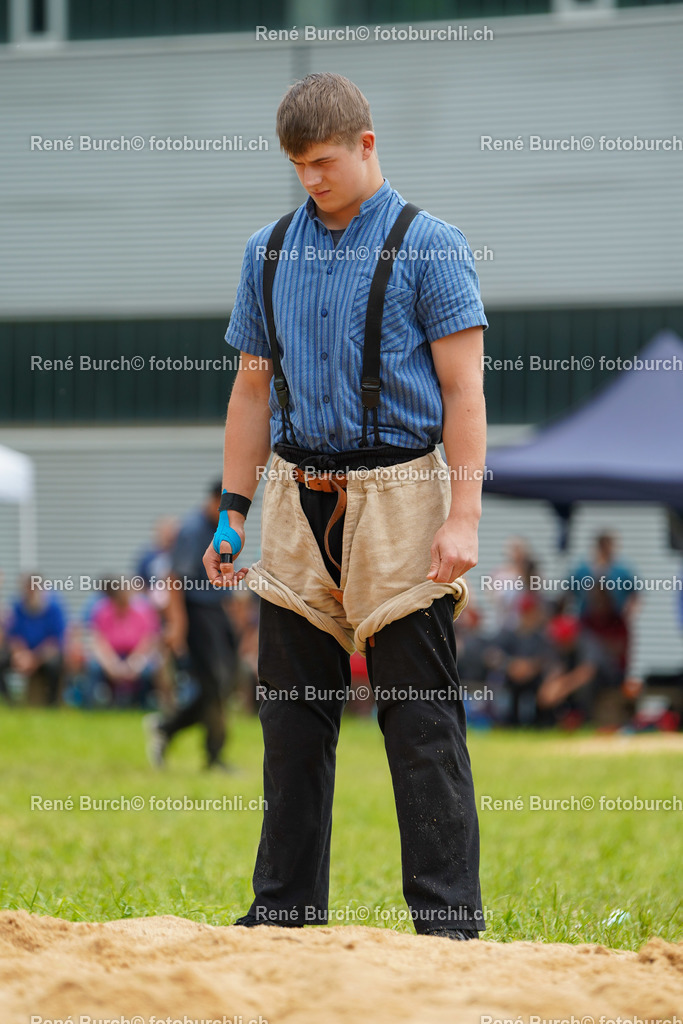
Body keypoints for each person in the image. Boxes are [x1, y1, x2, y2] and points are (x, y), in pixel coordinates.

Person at [203, 73, 488, 938]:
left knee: (419, 720)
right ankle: (283, 912)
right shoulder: (268, 251)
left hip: (402, 496)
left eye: (323, 161)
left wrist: (463, 516)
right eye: (297, 166)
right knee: (290, 720)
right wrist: (232, 508)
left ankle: (446, 925)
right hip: (295, 497)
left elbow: (465, 393)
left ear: (367, 144)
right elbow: (251, 393)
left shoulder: (432, 246)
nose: (311, 179)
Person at [146, 481, 238, 769]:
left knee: (227, 684)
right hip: (196, 612)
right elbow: (174, 580)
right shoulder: (192, 529)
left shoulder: (223, 531)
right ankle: (214, 756)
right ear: (215, 501)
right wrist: (178, 626)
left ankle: (166, 728)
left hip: (216, 612)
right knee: (213, 685)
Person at [88, 578, 161, 707]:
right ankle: (94, 705)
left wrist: (134, 663)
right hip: (111, 656)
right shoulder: (102, 612)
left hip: (137, 656)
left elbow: (148, 641)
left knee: (149, 670)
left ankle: (141, 704)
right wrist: (112, 664)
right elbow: (99, 641)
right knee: (93, 667)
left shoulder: (143, 611)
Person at [5, 573, 67, 705]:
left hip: (44, 655)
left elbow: (55, 642)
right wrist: (19, 654)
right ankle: (7, 701)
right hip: (24, 653)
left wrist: (33, 659)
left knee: (54, 663)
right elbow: (13, 635)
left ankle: (52, 703)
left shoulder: (54, 608)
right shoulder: (17, 607)